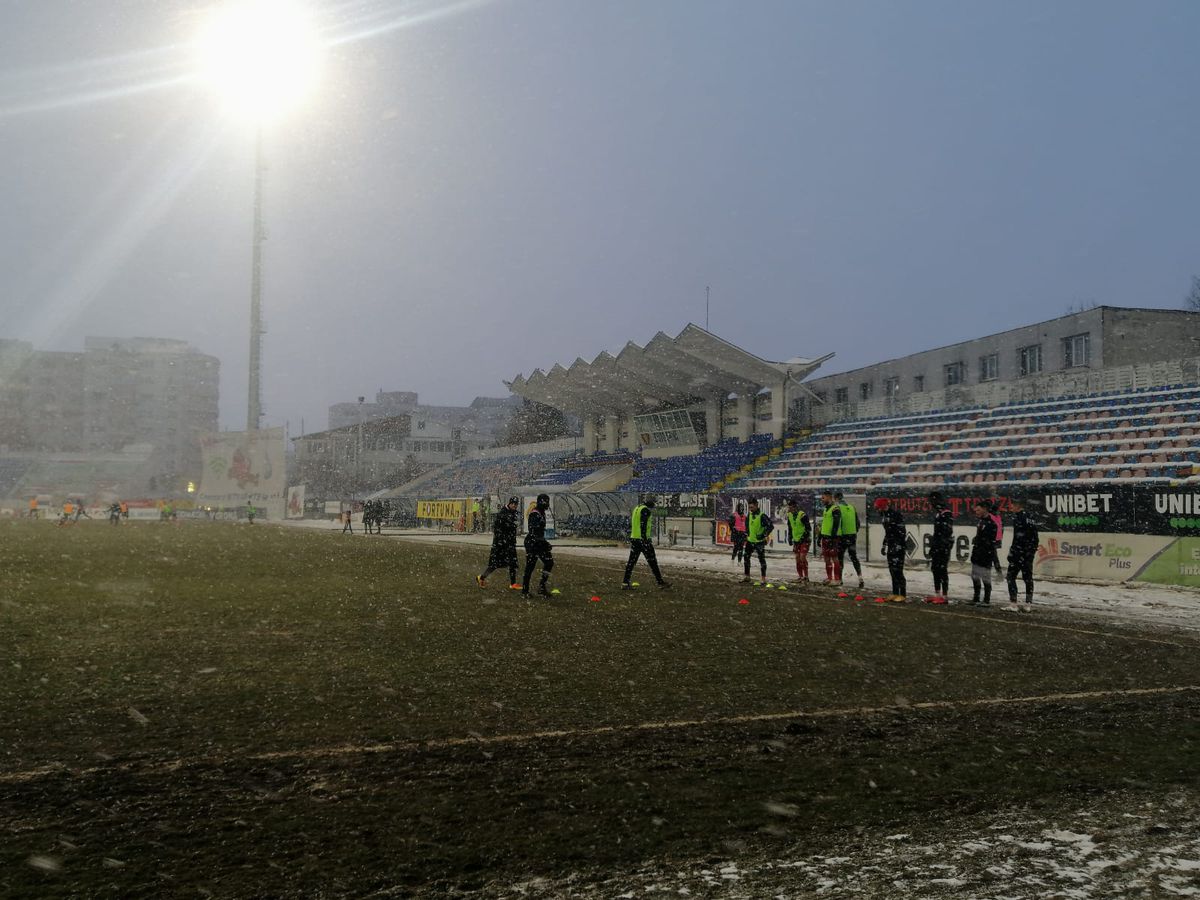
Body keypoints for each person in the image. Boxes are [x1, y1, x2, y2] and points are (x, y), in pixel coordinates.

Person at [623, 497, 671, 590]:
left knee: (631, 562)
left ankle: (625, 582)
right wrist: (645, 539)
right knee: (653, 561)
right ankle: (660, 582)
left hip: (635, 538)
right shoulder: (645, 511)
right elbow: (643, 525)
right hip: (643, 540)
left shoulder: (637, 508)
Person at [477, 496, 521, 589]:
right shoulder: (503, 513)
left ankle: (513, 583)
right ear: (509, 503)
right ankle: (481, 577)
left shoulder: (513, 513)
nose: (514, 505)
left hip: (509, 542)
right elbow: (497, 529)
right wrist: (502, 540)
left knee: (512, 563)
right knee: (495, 564)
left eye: (516, 504)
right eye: (513, 503)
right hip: (501, 544)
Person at [1005, 498, 1039, 612]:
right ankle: (1028, 604)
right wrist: (1031, 552)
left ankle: (1013, 603)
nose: (1011, 508)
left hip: (1019, 553)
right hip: (1028, 554)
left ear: (1018, 506)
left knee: (1010, 577)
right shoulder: (1031, 517)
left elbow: (1018, 538)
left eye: (1012, 506)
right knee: (1028, 578)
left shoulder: (1019, 517)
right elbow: (1035, 537)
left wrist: (1013, 552)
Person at [521, 493, 556, 597]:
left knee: (549, 563)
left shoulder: (541, 512)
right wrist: (545, 543)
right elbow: (534, 532)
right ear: (541, 502)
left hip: (539, 542)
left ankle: (542, 587)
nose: (547, 504)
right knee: (530, 567)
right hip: (532, 543)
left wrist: (544, 543)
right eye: (546, 502)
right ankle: (525, 590)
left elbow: (539, 533)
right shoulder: (535, 514)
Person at [878, 497, 907, 602]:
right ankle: (895, 592)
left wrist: (898, 545)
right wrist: (884, 545)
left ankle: (903, 594)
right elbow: (888, 532)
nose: (877, 510)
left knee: (898, 570)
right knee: (892, 570)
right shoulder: (884, 515)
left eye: (878, 508)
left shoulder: (896, 514)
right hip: (891, 545)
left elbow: (902, 531)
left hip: (898, 545)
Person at [969, 501, 998, 606]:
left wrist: (981, 543)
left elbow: (990, 541)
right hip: (977, 553)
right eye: (976, 510)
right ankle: (976, 597)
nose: (976, 511)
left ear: (985, 509)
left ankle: (986, 600)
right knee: (975, 576)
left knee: (985, 577)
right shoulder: (980, 522)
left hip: (986, 554)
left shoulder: (992, 523)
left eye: (978, 509)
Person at [927, 492, 953, 604]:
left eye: (932, 501)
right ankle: (937, 593)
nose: (931, 504)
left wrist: (941, 544)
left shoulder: (946, 513)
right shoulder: (939, 514)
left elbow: (947, 531)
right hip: (938, 545)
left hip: (943, 546)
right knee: (935, 569)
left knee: (942, 569)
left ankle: (945, 595)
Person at [835, 491, 864, 589]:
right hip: (852, 536)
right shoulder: (851, 507)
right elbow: (858, 523)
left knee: (840, 558)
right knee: (854, 557)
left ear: (836, 499)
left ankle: (840, 580)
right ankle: (860, 578)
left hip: (842, 536)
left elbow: (837, 523)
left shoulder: (838, 508)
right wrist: (854, 533)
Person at [740, 498, 773, 584]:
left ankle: (763, 578)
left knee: (761, 560)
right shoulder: (749, 515)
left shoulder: (762, 516)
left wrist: (764, 534)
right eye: (749, 507)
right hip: (750, 541)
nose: (751, 509)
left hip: (759, 542)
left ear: (757, 505)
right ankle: (747, 576)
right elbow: (747, 527)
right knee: (746, 558)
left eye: (752, 507)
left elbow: (770, 526)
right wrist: (746, 535)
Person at [818, 490, 843, 585]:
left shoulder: (835, 509)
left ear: (829, 497)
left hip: (833, 537)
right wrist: (819, 537)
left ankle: (837, 579)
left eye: (823, 498)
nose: (822, 500)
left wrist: (833, 537)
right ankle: (829, 578)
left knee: (835, 558)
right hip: (825, 537)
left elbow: (836, 524)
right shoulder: (826, 509)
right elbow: (824, 524)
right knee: (826, 558)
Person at [785, 498, 810, 583]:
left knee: (802, 557)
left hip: (804, 539)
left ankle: (806, 576)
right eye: (789, 507)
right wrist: (789, 537)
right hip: (796, 540)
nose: (789, 509)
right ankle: (800, 576)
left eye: (791, 507)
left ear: (795, 507)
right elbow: (790, 527)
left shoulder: (802, 515)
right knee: (797, 558)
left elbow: (808, 528)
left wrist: (803, 538)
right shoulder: (790, 515)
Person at [989, 500, 1004, 576]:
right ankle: (999, 572)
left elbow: (1001, 527)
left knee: (992, 556)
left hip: (996, 539)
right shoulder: (990, 517)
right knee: (994, 556)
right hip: (991, 540)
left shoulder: (998, 517)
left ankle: (998, 571)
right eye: (998, 510)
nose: (999, 512)